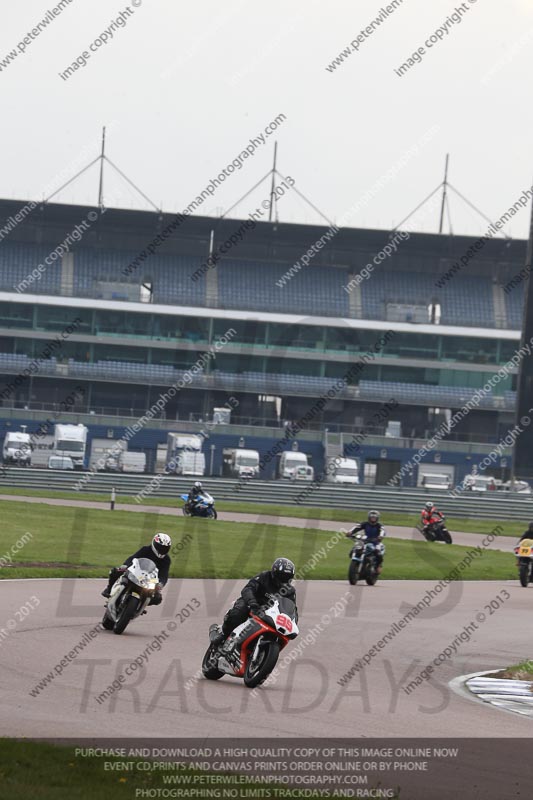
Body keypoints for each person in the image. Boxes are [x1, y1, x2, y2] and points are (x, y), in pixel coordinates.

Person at [211, 557, 297, 645]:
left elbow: (291, 609)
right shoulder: (264, 577)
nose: (284, 580)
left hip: (270, 614)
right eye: (282, 576)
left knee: (281, 635)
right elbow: (248, 588)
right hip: (252, 604)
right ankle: (223, 634)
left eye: (287, 578)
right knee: (239, 612)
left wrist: (292, 623)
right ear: (274, 573)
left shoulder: (290, 591)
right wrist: (252, 603)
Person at [101, 532, 172, 604]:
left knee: (157, 599)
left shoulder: (166, 560)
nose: (162, 550)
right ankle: (109, 589)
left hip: (151, 580)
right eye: (160, 547)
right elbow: (132, 558)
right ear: (154, 544)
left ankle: (141, 605)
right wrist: (126, 565)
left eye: (165, 548)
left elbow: (164, 574)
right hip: (137, 572)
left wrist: (160, 584)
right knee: (115, 571)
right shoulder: (146, 550)